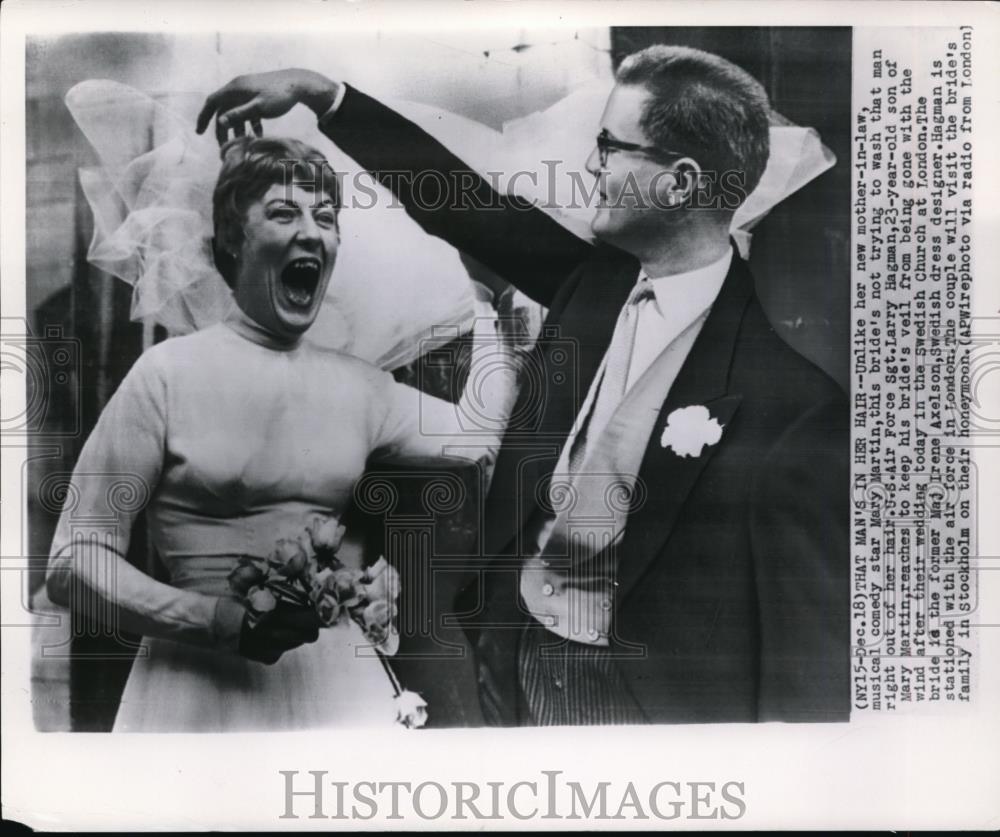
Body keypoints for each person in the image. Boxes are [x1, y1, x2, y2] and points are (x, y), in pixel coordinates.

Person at [196, 43, 850, 725]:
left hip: (645, 716)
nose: (591, 166)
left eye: (612, 147)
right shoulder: (593, 283)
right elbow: (458, 201)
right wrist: (325, 95)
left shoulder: (795, 411)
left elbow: (806, 687)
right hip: (511, 672)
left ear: (681, 184)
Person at [45, 135, 516, 732]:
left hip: (339, 686)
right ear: (234, 245)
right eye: (284, 212)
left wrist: (483, 299)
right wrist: (218, 620)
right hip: (197, 691)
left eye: (326, 217)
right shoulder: (165, 375)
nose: (312, 232)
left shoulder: (361, 386)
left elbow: (481, 436)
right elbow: (72, 563)